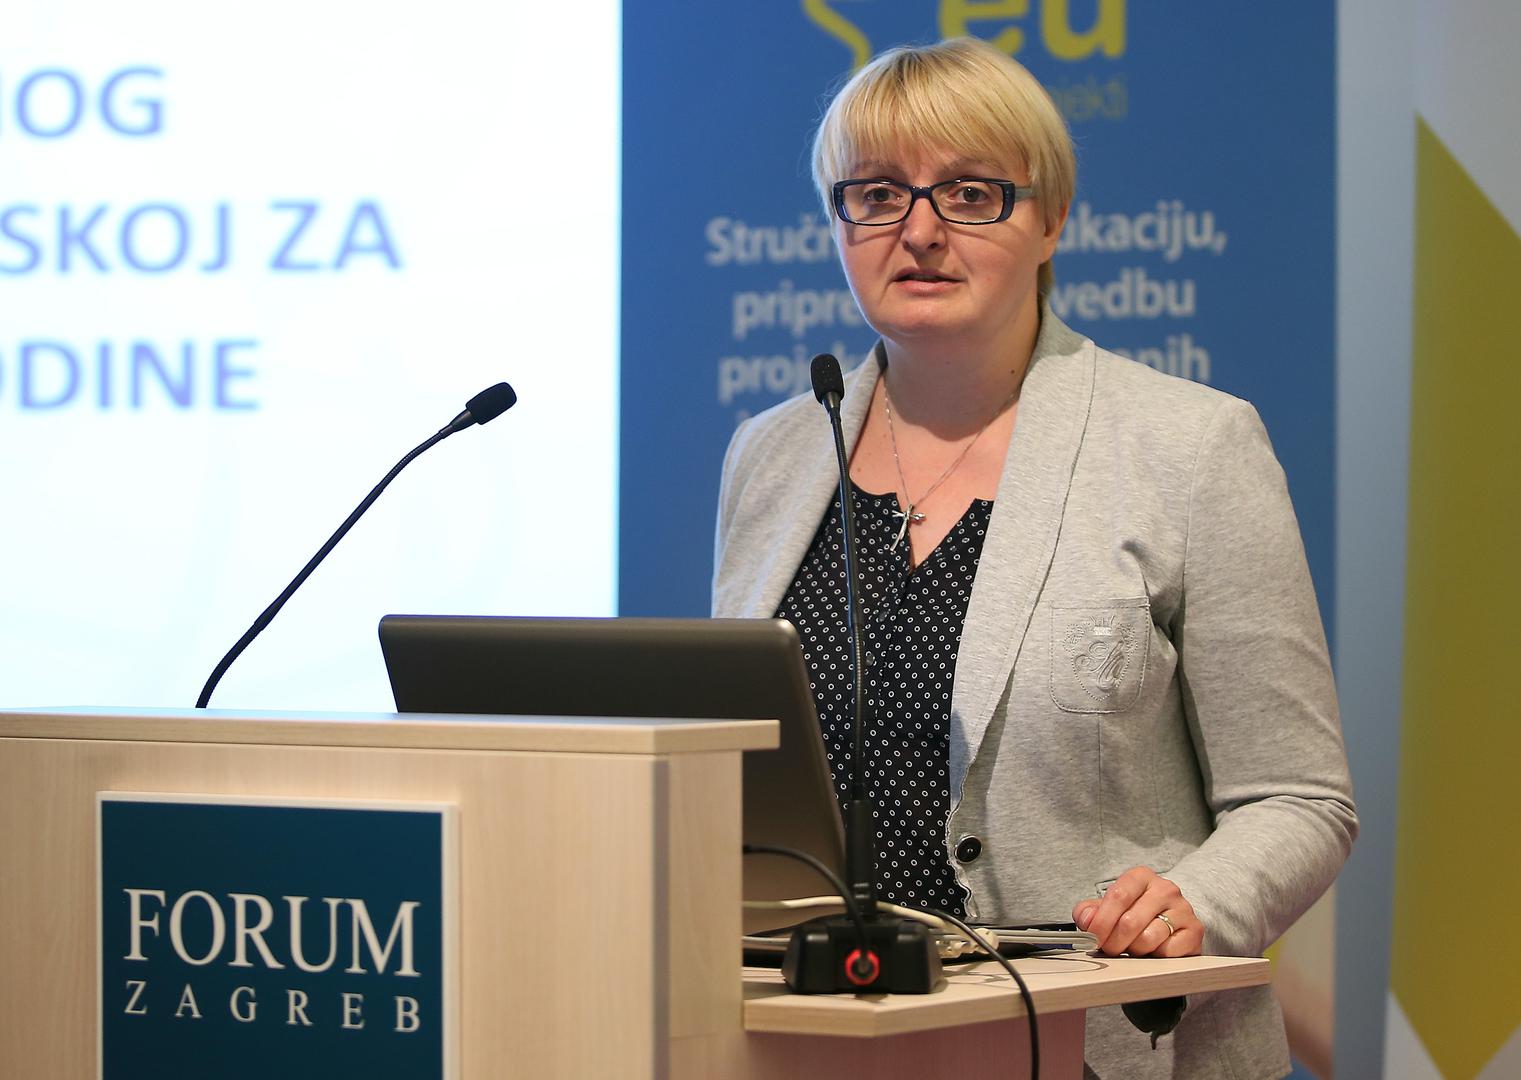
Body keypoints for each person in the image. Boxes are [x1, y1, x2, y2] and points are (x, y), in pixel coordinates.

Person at [711, 36, 1357, 1079]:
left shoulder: (1191, 445)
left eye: (971, 193)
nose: (920, 230)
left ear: (1051, 220)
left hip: (1101, 1042)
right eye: (876, 194)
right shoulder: (773, 454)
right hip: (814, 1039)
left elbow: (1299, 798)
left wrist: (1196, 901)